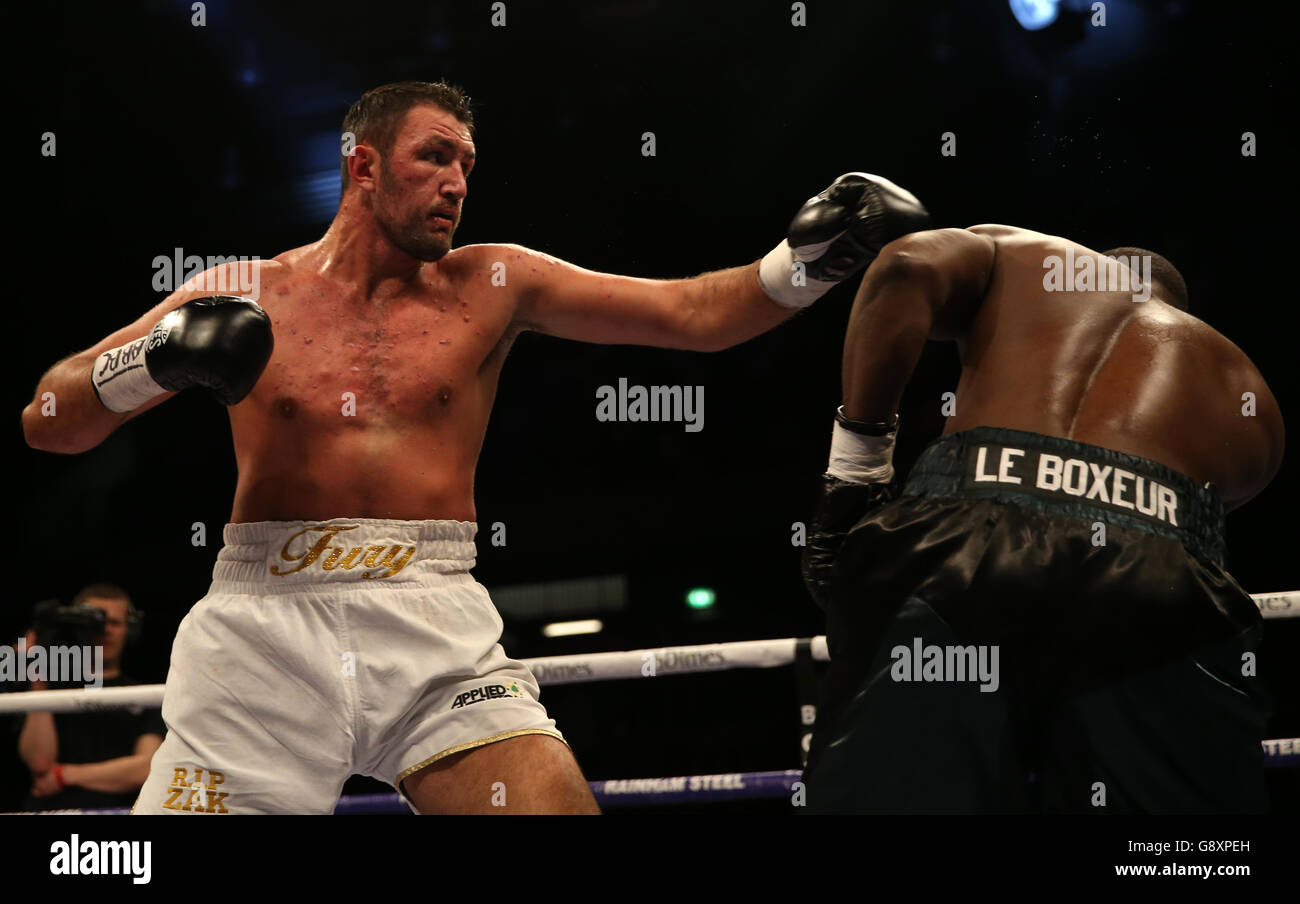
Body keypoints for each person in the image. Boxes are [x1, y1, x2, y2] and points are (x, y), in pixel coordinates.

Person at [22, 80, 929, 814]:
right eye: (435, 156)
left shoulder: (495, 283)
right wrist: (153, 363)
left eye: (467, 163)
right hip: (262, 627)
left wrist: (809, 263)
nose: (458, 181)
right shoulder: (242, 289)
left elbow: (695, 313)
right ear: (364, 165)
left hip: (431, 618)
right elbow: (48, 422)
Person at [800, 225, 1284, 813]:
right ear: (1183, 310)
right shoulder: (1249, 391)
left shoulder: (1029, 259)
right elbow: (1203, 521)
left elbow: (905, 265)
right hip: (1158, 575)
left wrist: (858, 473)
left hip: (965, 540)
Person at [16, 584, 164, 811]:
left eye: (114, 622)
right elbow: (39, 762)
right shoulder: (48, 689)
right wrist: (37, 676)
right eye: (93, 622)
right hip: (53, 811)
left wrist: (63, 775)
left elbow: (146, 768)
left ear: (130, 630)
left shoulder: (148, 696)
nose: (105, 630)